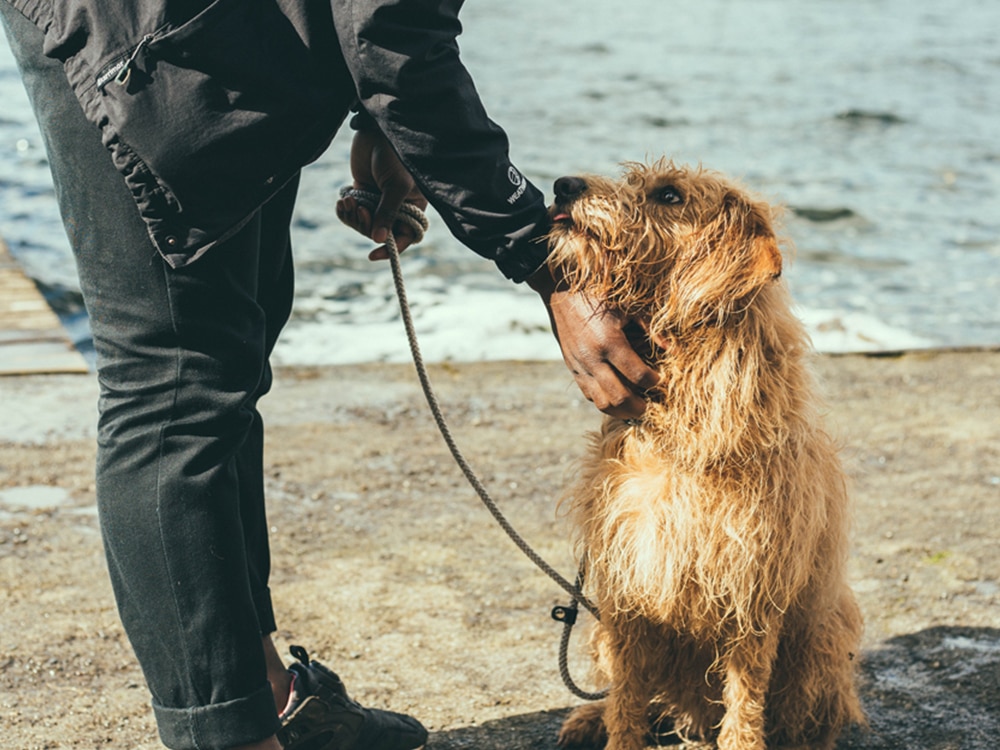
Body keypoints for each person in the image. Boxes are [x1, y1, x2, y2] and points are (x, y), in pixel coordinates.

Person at [0, 2, 660, 749]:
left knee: (228, 364)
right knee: (174, 388)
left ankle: (270, 699)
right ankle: (229, 737)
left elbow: (379, 23)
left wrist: (380, 122)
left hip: (227, 32)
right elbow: (389, 31)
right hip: (139, 37)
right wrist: (543, 262)